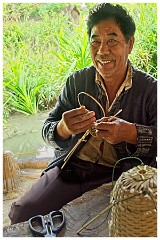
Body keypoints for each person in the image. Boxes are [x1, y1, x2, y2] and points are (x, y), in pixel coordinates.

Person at [9, 3, 157, 224]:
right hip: (73, 168)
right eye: (95, 41)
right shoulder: (77, 82)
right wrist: (63, 128)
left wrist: (130, 133)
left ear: (130, 44)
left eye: (112, 41)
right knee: (22, 213)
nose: (102, 51)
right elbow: (48, 130)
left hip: (124, 175)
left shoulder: (150, 89)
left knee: (122, 225)